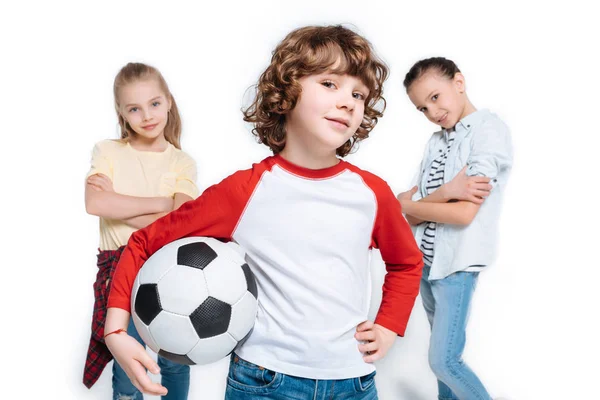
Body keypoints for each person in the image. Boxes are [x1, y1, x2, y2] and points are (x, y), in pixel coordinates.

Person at [104, 25, 423, 399]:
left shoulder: (371, 194)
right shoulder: (245, 191)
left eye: (358, 94)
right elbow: (144, 242)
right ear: (287, 91)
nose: (349, 102)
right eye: (330, 84)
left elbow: (406, 262)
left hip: (353, 381)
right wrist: (115, 331)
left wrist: (389, 325)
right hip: (264, 382)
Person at [396, 57, 513, 400]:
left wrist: (402, 203)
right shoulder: (435, 142)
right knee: (441, 366)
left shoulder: (488, 130)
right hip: (426, 264)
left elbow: (463, 216)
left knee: (444, 362)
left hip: (456, 267)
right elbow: (412, 217)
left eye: (435, 97)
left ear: (458, 83)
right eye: (422, 107)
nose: (432, 111)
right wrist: (446, 193)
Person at [83, 62, 199, 400]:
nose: (146, 115)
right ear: (122, 113)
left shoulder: (182, 162)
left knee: (175, 359)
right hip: (120, 271)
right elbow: (95, 203)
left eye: (154, 104)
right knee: (127, 358)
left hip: (166, 269)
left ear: (169, 102)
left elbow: (180, 223)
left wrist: (117, 202)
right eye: (134, 108)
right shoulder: (108, 151)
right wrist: (163, 204)